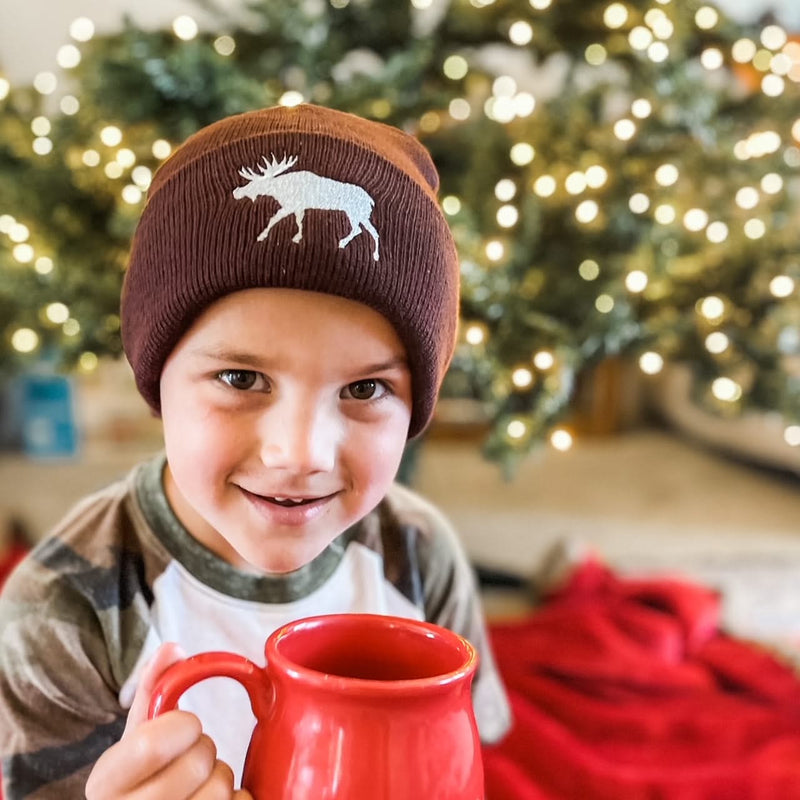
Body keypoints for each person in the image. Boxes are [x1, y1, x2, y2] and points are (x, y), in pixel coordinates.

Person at [0, 103, 511, 799]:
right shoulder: (64, 608)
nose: (300, 452)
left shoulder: (419, 554)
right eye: (241, 379)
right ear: (158, 384)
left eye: (365, 388)